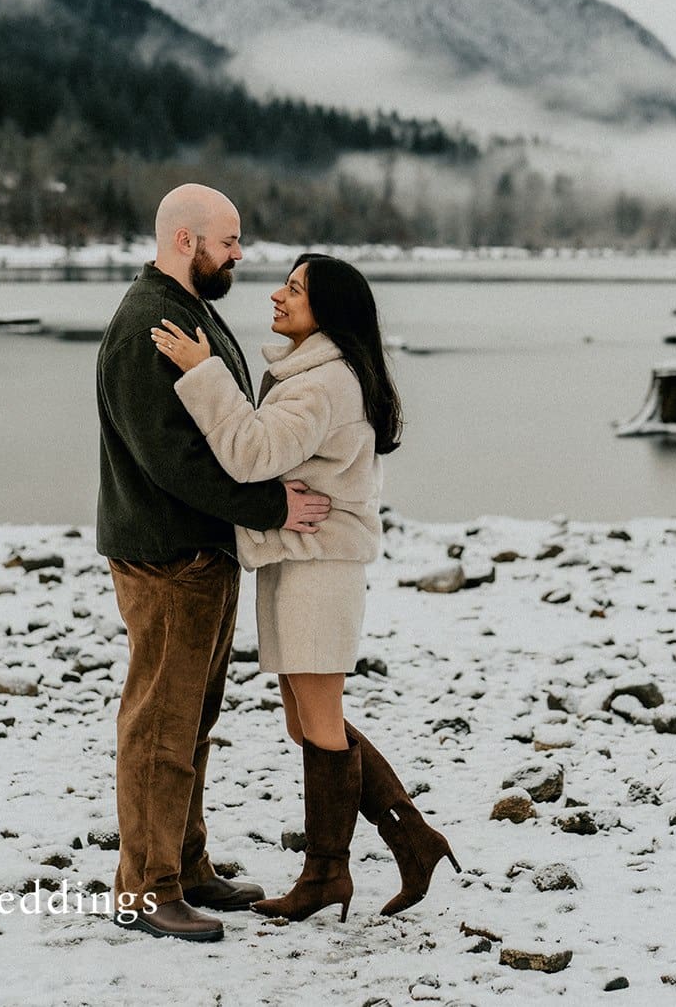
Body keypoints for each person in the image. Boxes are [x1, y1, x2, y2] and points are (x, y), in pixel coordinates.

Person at [151, 252, 459, 924]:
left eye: (296, 289)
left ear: (329, 310)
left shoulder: (325, 383)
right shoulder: (317, 373)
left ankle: (328, 873)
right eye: (286, 284)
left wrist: (202, 374)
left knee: (317, 722)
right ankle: (414, 840)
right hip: (303, 562)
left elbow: (252, 453)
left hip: (320, 569)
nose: (278, 296)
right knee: (306, 720)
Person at [96, 184, 333, 943]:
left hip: (198, 552)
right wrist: (271, 508)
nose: (240, 253)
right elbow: (176, 459)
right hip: (167, 555)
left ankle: (186, 865)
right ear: (184, 240)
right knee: (159, 724)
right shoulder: (148, 325)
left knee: (191, 721)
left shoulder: (186, 309)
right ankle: (146, 888)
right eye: (228, 241)